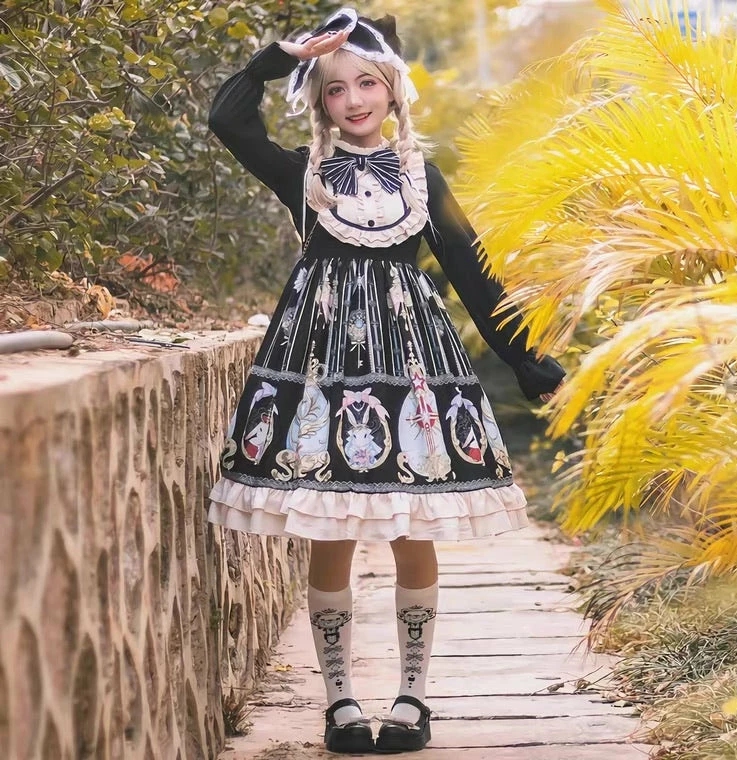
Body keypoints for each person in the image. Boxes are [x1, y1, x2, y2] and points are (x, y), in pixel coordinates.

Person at [207, 7, 565, 754]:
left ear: (394, 89)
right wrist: (280, 58)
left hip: (412, 369)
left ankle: (412, 696)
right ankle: (339, 700)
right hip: (319, 370)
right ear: (319, 100)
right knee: (331, 525)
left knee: (411, 524)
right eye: (336, 88)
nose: (354, 99)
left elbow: (473, 273)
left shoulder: (421, 178)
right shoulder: (301, 173)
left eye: (367, 82)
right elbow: (228, 120)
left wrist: (525, 359)